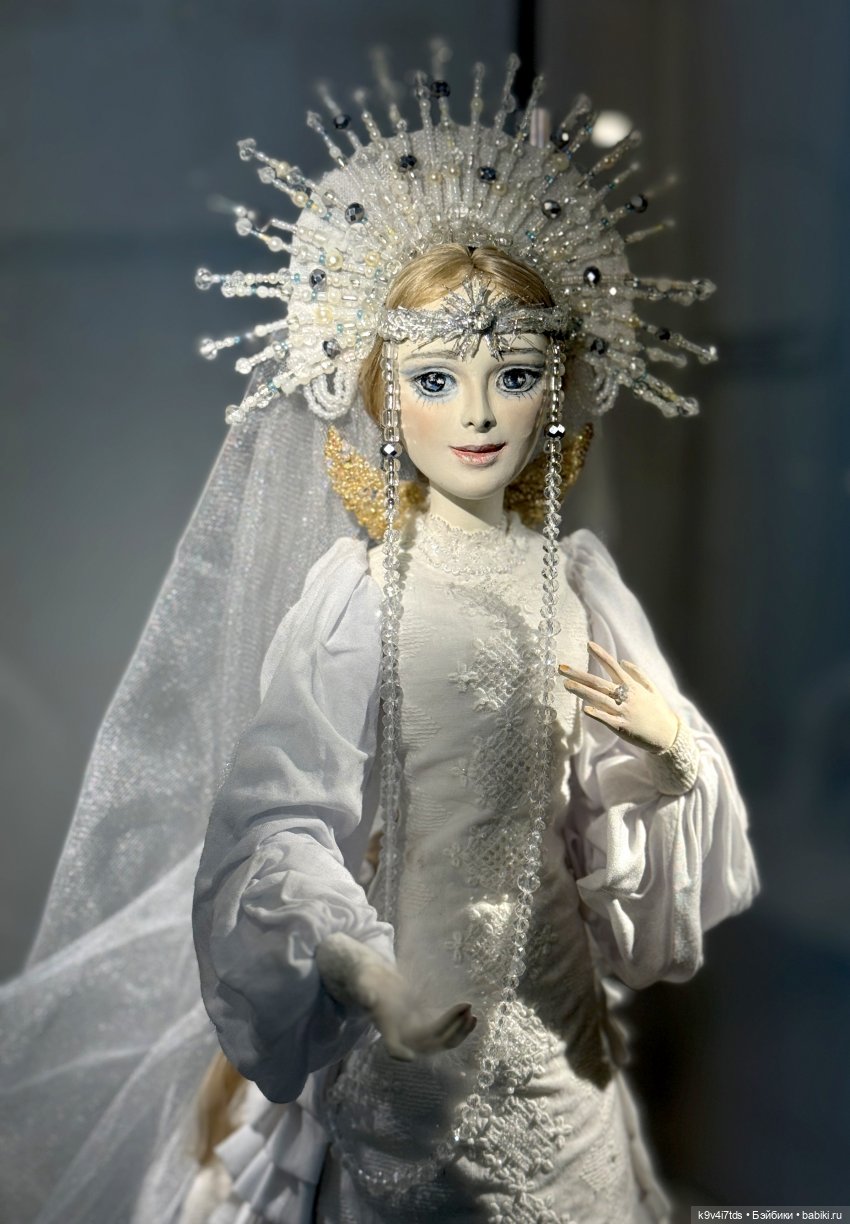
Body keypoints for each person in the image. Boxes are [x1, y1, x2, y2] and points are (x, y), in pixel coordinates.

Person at [0, 51, 758, 1224]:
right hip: (410, 1032)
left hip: (563, 1050)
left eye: (512, 375)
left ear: (556, 388)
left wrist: (665, 761)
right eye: (436, 378)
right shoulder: (362, 597)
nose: (477, 413)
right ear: (384, 394)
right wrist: (359, 966)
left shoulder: (580, 587)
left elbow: (612, 834)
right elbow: (278, 821)